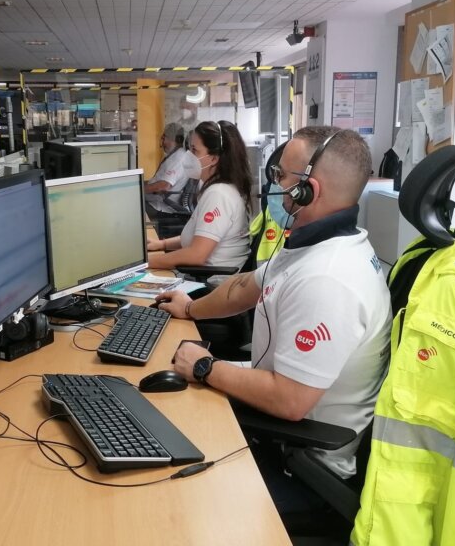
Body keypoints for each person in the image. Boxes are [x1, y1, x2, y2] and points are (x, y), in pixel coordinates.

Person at [155, 126, 392, 509]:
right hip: (279, 430)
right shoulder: (318, 244)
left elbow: (289, 400)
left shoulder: (328, 279)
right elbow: (246, 287)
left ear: (308, 189)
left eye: (282, 175)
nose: (276, 185)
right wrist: (189, 308)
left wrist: (205, 367)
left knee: (169, 491)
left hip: (300, 465)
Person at [147, 120, 252, 270]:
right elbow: (200, 237)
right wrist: (162, 244)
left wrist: (144, 264)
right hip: (207, 276)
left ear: (214, 159)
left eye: (195, 150)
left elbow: (196, 255)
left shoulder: (218, 195)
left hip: (211, 279)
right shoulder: (218, 188)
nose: (188, 156)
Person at [144, 123, 190, 218]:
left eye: (164, 138)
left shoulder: (179, 158)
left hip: (160, 207)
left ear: (172, 139)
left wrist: (140, 190)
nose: (162, 142)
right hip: (153, 201)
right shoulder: (174, 155)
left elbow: (164, 186)